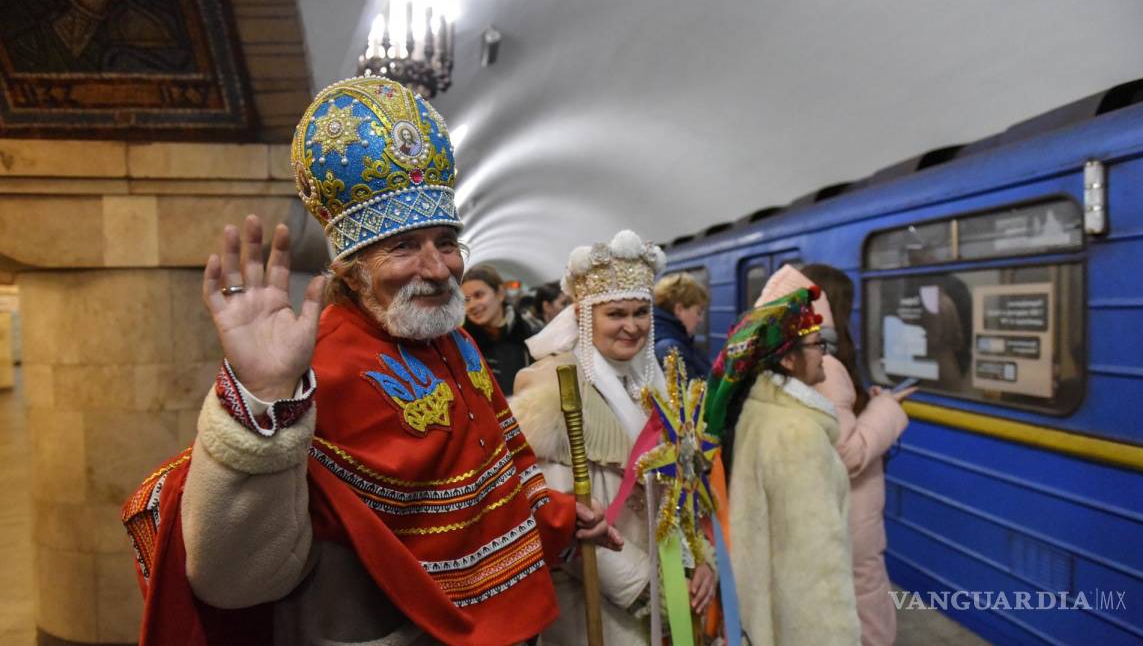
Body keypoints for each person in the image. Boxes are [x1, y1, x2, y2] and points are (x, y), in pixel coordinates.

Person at [121, 76, 620, 646]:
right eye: (404, 246)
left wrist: (552, 516)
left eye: (446, 241)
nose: (437, 269)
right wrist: (259, 398)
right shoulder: (318, 363)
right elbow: (230, 580)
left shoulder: (451, 339)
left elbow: (494, 462)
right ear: (351, 269)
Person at [510, 230, 716, 646]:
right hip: (596, 604)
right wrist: (646, 588)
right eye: (616, 314)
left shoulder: (658, 385)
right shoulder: (555, 391)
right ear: (587, 317)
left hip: (668, 586)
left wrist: (701, 563)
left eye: (641, 313)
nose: (631, 326)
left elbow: (684, 490)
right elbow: (559, 514)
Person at [706, 285, 860, 646]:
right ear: (788, 360)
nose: (824, 355)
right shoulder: (798, 435)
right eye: (816, 346)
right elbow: (814, 571)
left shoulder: (757, 415)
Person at [799, 264, 913, 646]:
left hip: (837, 519)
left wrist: (867, 408)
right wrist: (887, 411)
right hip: (848, 519)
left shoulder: (804, 358)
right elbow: (845, 455)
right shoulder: (827, 367)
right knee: (865, 619)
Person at [462, 264, 543, 394]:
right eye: (466, 300)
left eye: (479, 295)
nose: (472, 305)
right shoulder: (462, 345)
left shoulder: (533, 332)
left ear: (500, 293)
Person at [652, 272, 710, 379]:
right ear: (679, 309)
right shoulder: (670, 348)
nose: (700, 319)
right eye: (698, 312)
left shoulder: (674, 340)